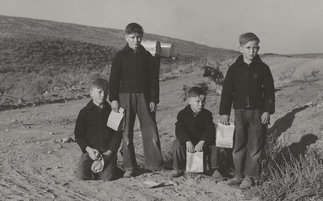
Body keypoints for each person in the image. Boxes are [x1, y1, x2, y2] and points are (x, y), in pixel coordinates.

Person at [219, 32, 275, 189]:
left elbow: (269, 91)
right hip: (239, 112)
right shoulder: (234, 69)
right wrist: (224, 112)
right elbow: (227, 92)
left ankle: (250, 177)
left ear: (258, 49)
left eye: (255, 48)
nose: (252, 51)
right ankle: (238, 174)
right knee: (238, 144)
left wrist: (267, 111)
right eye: (248, 48)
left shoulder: (263, 68)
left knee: (255, 145)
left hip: (257, 112)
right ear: (240, 48)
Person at [108, 22, 163, 177]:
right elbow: (113, 80)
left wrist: (153, 99)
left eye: (139, 37)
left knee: (150, 129)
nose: (136, 40)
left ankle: (154, 164)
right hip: (124, 97)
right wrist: (113, 99)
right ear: (127, 37)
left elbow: (153, 80)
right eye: (132, 37)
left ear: (142, 38)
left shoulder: (147, 57)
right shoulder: (120, 56)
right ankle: (129, 166)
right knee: (126, 131)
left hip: (144, 97)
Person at [74, 78, 123, 180]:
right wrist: (89, 150)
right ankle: (96, 169)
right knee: (81, 176)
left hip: (107, 152)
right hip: (90, 153)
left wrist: (110, 152)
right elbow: (78, 135)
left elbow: (117, 134)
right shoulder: (84, 112)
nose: (103, 95)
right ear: (91, 93)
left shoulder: (112, 112)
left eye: (105, 92)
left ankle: (113, 168)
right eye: (99, 92)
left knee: (107, 178)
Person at [170, 86, 221, 178]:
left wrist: (202, 141)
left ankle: (214, 169)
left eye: (203, 101)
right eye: (197, 101)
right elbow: (179, 129)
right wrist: (187, 141)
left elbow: (210, 129)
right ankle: (178, 168)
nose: (201, 104)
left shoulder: (207, 114)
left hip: (203, 143)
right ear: (189, 101)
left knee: (214, 143)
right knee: (177, 143)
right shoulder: (182, 114)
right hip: (189, 143)